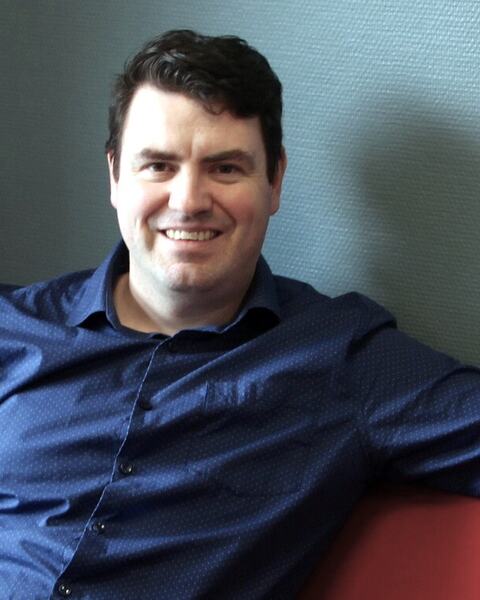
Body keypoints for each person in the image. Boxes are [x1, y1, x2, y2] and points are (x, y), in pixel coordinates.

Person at [1, 29, 480, 600]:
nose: (188, 201)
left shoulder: (344, 358)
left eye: (225, 168)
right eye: (158, 166)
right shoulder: (13, 328)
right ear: (115, 177)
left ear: (274, 181)